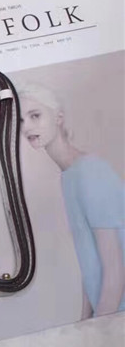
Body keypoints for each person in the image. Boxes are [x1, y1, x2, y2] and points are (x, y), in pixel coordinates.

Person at [17, 83, 125, 318]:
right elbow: (91, 263)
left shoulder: (91, 173)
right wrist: (84, 322)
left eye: (35, 115)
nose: (26, 127)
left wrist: (99, 330)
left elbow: (115, 271)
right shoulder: (69, 175)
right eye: (21, 120)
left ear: (58, 117)